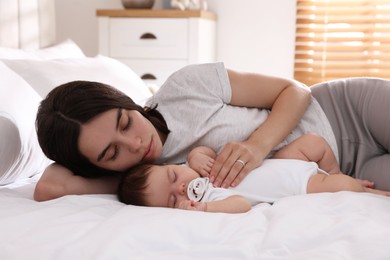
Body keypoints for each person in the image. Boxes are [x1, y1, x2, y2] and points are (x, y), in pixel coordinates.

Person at [34, 62, 390, 202]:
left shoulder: (185, 86)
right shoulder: (148, 181)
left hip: (345, 109)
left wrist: (257, 146)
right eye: (111, 153)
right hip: (342, 170)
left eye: (125, 122)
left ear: (126, 101)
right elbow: (49, 187)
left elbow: (296, 90)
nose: (135, 143)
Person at [117, 134, 389, 213]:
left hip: (280, 161)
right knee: (344, 188)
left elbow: (208, 150)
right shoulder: (210, 198)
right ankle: (367, 191)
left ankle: (334, 172)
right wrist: (205, 208)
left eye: (173, 178)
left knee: (314, 143)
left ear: (171, 166)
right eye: (171, 201)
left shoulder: (193, 167)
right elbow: (241, 203)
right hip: (299, 184)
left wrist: (198, 155)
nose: (180, 190)